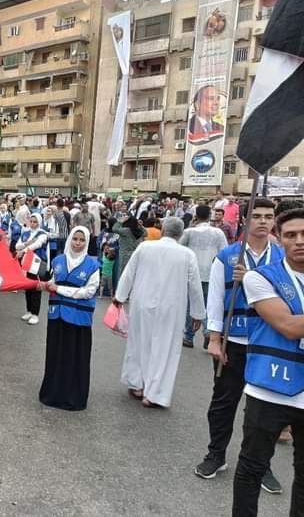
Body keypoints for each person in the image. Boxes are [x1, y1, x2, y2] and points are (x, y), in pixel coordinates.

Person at [195, 198, 283, 493]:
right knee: (223, 402)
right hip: (233, 340)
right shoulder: (227, 256)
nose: (263, 221)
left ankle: (261, 465)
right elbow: (215, 299)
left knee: (265, 410)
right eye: (256, 216)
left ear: (274, 220)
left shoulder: (282, 257)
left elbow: (291, 296)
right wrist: (214, 338)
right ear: (244, 220)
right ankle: (216, 454)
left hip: (269, 341)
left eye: (268, 216)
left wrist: (253, 278)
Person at [232, 208, 304, 515]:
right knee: (252, 468)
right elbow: (287, 326)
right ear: (280, 239)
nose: (299, 241)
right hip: (270, 387)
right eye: (291, 235)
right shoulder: (260, 277)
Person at [115, 218, 205, 408]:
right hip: (171, 308)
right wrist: (197, 313)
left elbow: (129, 273)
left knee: (139, 342)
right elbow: (195, 286)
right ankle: (154, 394)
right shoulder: (187, 254)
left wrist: (119, 297)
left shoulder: (145, 247)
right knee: (165, 349)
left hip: (142, 302)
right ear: (180, 234)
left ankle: (137, 384)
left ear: (163, 230)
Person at [39, 226, 99, 410]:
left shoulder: (93, 265)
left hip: (78, 318)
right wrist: (44, 285)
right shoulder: (58, 260)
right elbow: (52, 282)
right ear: (70, 239)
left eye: (82, 240)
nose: (78, 243)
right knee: (55, 354)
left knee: (75, 357)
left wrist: (60, 289)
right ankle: (52, 394)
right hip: (57, 315)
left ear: (86, 242)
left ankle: (72, 397)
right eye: (75, 239)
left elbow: (88, 292)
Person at [180, 205, 228, 349]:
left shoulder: (189, 232)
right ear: (209, 216)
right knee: (208, 305)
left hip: (192, 273)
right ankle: (208, 330)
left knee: (191, 304)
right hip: (212, 273)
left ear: (196, 215)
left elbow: (179, 249)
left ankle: (189, 336)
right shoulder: (218, 233)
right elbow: (224, 252)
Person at [16, 214, 49, 326]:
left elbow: (37, 244)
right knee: (28, 288)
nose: (33, 224)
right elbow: (17, 246)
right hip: (26, 263)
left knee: (36, 288)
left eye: (35, 222)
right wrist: (27, 244)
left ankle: (35, 314)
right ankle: (29, 311)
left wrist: (24, 250)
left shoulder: (43, 234)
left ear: (39, 222)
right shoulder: (25, 233)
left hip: (37, 264)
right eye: (31, 221)